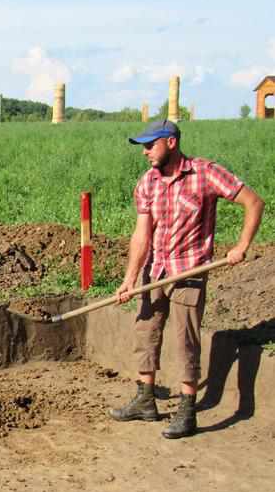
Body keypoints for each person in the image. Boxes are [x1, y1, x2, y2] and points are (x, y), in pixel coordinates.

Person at [109, 119, 264, 438]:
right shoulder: (148, 183)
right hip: (157, 270)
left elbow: (253, 202)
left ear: (171, 142)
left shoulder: (204, 173)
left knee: (186, 340)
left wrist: (241, 246)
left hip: (190, 270)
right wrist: (130, 278)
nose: (145, 152)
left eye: (150, 145)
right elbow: (142, 235)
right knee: (146, 331)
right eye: (143, 146)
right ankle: (145, 399)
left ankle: (187, 408)